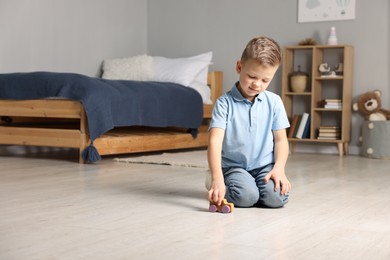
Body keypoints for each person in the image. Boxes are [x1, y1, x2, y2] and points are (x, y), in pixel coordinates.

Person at [206, 36, 291, 208]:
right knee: (246, 197)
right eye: (252, 76)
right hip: (234, 167)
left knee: (277, 198)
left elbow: (281, 140)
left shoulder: (274, 102)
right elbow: (215, 141)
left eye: (265, 80)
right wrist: (217, 178)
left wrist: (279, 169)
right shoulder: (224, 103)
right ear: (239, 67)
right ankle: (215, 181)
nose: (257, 84)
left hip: (264, 167)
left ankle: (255, 189)